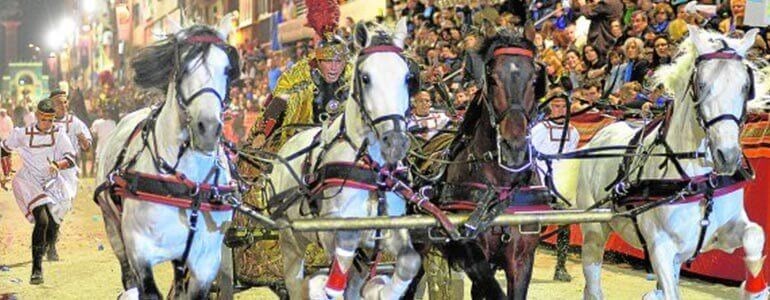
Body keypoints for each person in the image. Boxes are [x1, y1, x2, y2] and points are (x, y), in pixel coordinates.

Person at [245, 11, 353, 150]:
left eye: (338, 62)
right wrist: (263, 133)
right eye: (327, 61)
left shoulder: (352, 79)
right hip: (305, 143)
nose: (333, 67)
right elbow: (279, 100)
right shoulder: (303, 76)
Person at [1, 98, 77, 284]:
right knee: (41, 221)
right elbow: (3, 149)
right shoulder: (22, 133)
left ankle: (50, 246)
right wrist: (5, 173)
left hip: (50, 182)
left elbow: (71, 158)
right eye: (44, 119)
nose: (47, 124)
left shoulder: (58, 134)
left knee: (53, 220)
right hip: (28, 182)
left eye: (51, 120)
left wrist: (58, 164)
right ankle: (37, 270)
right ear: (36, 116)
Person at [530, 88, 580, 282]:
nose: (560, 110)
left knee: (564, 226)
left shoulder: (573, 132)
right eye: (556, 106)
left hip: (562, 184)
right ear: (550, 107)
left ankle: (560, 266)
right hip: (541, 183)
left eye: (563, 106)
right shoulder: (539, 129)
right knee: (537, 227)